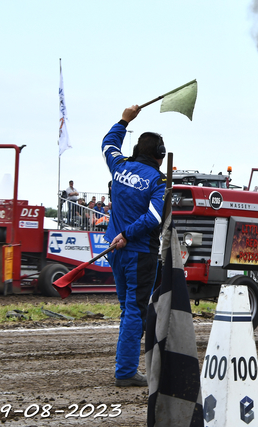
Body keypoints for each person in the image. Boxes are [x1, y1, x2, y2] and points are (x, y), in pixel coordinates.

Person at [102, 105, 166, 388]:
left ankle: (125, 365)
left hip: (115, 252)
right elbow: (153, 217)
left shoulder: (118, 165)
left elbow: (108, 143)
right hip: (140, 253)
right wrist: (129, 234)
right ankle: (126, 371)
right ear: (160, 156)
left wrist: (124, 119)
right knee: (134, 311)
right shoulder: (158, 180)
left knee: (126, 308)